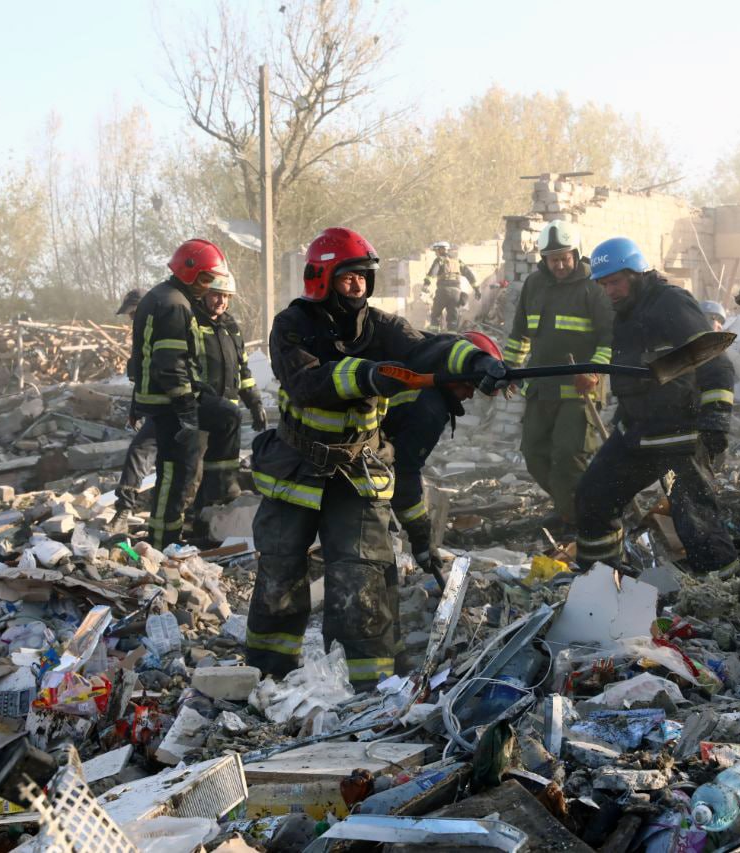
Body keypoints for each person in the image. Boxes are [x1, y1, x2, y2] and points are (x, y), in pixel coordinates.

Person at [247, 227, 507, 691]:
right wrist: (370, 374)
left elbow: (426, 346)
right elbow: (309, 383)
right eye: (348, 277)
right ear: (323, 279)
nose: (358, 286)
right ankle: (267, 676)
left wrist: (474, 360)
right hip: (296, 468)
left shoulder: (382, 326)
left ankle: (367, 689)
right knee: (279, 575)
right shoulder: (292, 325)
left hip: (356, 472)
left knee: (361, 579)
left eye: (364, 277)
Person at [574, 237, 738, 574]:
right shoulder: (625, 312)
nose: (610, 292)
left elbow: (715, 361)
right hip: (636, 432)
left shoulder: (671, 303)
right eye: (604, 285)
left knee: (695, 521)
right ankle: (600, 578)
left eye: (615, 282)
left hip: (678, 437)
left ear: (635, 273)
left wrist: (717, 420)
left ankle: (723, 589)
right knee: (592, 498)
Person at [503, 220, 613, 526]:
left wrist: (593, 372)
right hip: (540, 389)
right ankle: (571, 506)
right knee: (534, 455)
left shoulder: (594, 286)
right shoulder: (534, 285)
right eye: (554, 260)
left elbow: (610, 338)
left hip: (579, 391)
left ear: (576, 253)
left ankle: (584, 521)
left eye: (565, 258)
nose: (560, 265)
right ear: (544, 259)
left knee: (568, 456)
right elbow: (519, 335)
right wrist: (509, 371)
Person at [129, 238, 231, 550]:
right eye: (205, 279)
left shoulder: (164, 296)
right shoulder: (175, 304)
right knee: (175, 473)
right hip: (169, 403)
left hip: (162, 400)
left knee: (225, 418)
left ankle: (210, 501)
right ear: (189, 273)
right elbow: (170, 363)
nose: (208, 286)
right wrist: (187, 408)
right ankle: (164, 542)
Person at [382, 330, 503, 585]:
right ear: (451, 373)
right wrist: (421, 537)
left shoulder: (419, 370)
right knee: (375, 560)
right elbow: (404, 474)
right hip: (350, 468)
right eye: (468, 386)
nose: (470, 395)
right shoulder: (429, 409)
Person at [191, 271, 266, 514]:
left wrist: (254, 402)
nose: (221, 301)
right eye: (216, 295)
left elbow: (243, 369)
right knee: (195, 471)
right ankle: (195, 515)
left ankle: (217, 511)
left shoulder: (230, 326)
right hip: (199, 411)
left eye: (226, 296)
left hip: (226, 414)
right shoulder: (192, 323)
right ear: (204, 294)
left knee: (223, 465)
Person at [112, 288, 158, 529]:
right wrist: (134, 408)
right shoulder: (143, 335)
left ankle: (124, 511)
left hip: (172, 408)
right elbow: (141, 377)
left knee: (139, 452)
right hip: (155, 407)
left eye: (133, 313)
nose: (131, 319)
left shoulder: (164, 330)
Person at [423, 242, 477, 331]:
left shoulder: (439, 260)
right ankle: (452, 336)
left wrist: (426, 285)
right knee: (453, 320)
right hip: (456, 294)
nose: (436, 253)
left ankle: (434, 334)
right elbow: (469, 274)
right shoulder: (458, 261)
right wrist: (477, 289)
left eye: (437, 250)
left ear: (443, 250)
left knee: (435, 315)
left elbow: (432, 273)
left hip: (442, 292)